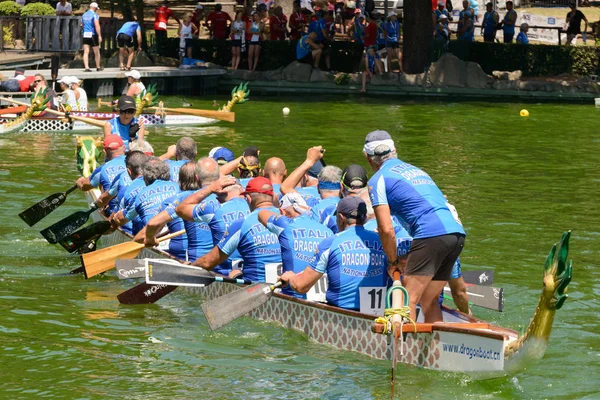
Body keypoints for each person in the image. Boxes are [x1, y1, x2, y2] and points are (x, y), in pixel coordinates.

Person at [364, 130, 465, 322]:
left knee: (406, 300)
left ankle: (400, 349)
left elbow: (386, 229)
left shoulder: (377, 180)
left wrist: (393, 262)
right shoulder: (417, 170)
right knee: (429, 300)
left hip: (431, 235)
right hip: (457, 234)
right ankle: (434, 349)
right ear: (395, 150)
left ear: (368, 159)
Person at [279, 197, 388, 311]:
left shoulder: (330, 243)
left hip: (340, 317)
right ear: (365, 218)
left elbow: (301, 287)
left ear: (341, 218)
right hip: (377, 315)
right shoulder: (384, 243)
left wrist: (291, 277)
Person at [189, 176, 282, 282]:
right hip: (288, 287)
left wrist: (189, 268)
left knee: (234, 274)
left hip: (254, 288)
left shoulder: (241, 224)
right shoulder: (289, 218)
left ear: (248, 198)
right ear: (273, 196)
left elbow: (208, 262)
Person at [258, 192, 333, 298]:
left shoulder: (285, 224)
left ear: (282, 211)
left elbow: (261, 214)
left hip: (292, 296)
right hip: (323, 298)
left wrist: (280, 217)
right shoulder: (328, 231)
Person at [177, 166, 250, 275]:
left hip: (224, 273)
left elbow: (180, 210)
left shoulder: (214, 208)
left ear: (218, 198)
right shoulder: (257, 210)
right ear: (242, 191)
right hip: (253, 272)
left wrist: (210, 188)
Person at [112, 157, 180, 233]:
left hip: (153, 239)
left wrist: (115, 219)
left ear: (145, 177)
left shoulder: (140, 195)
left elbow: (122, 219)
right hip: (177, 236)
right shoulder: (179, 188)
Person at [76, 135, 127, 215]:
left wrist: (79, 181)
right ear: (124, 148)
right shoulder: (137, 163)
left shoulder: (102, 169)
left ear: (105, 152)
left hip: (116, 216)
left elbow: (84, 186)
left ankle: (105, 208)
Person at [81, 2, 102, 72]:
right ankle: (98, 67)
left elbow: (82, 25)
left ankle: (86, 67)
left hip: (85, 34)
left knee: (86, 51)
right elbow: (97, 25)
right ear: (95, 8)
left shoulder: (84, 14)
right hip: (92, 34)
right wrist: (99, 35)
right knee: (96, 51)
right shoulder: (95, 15)